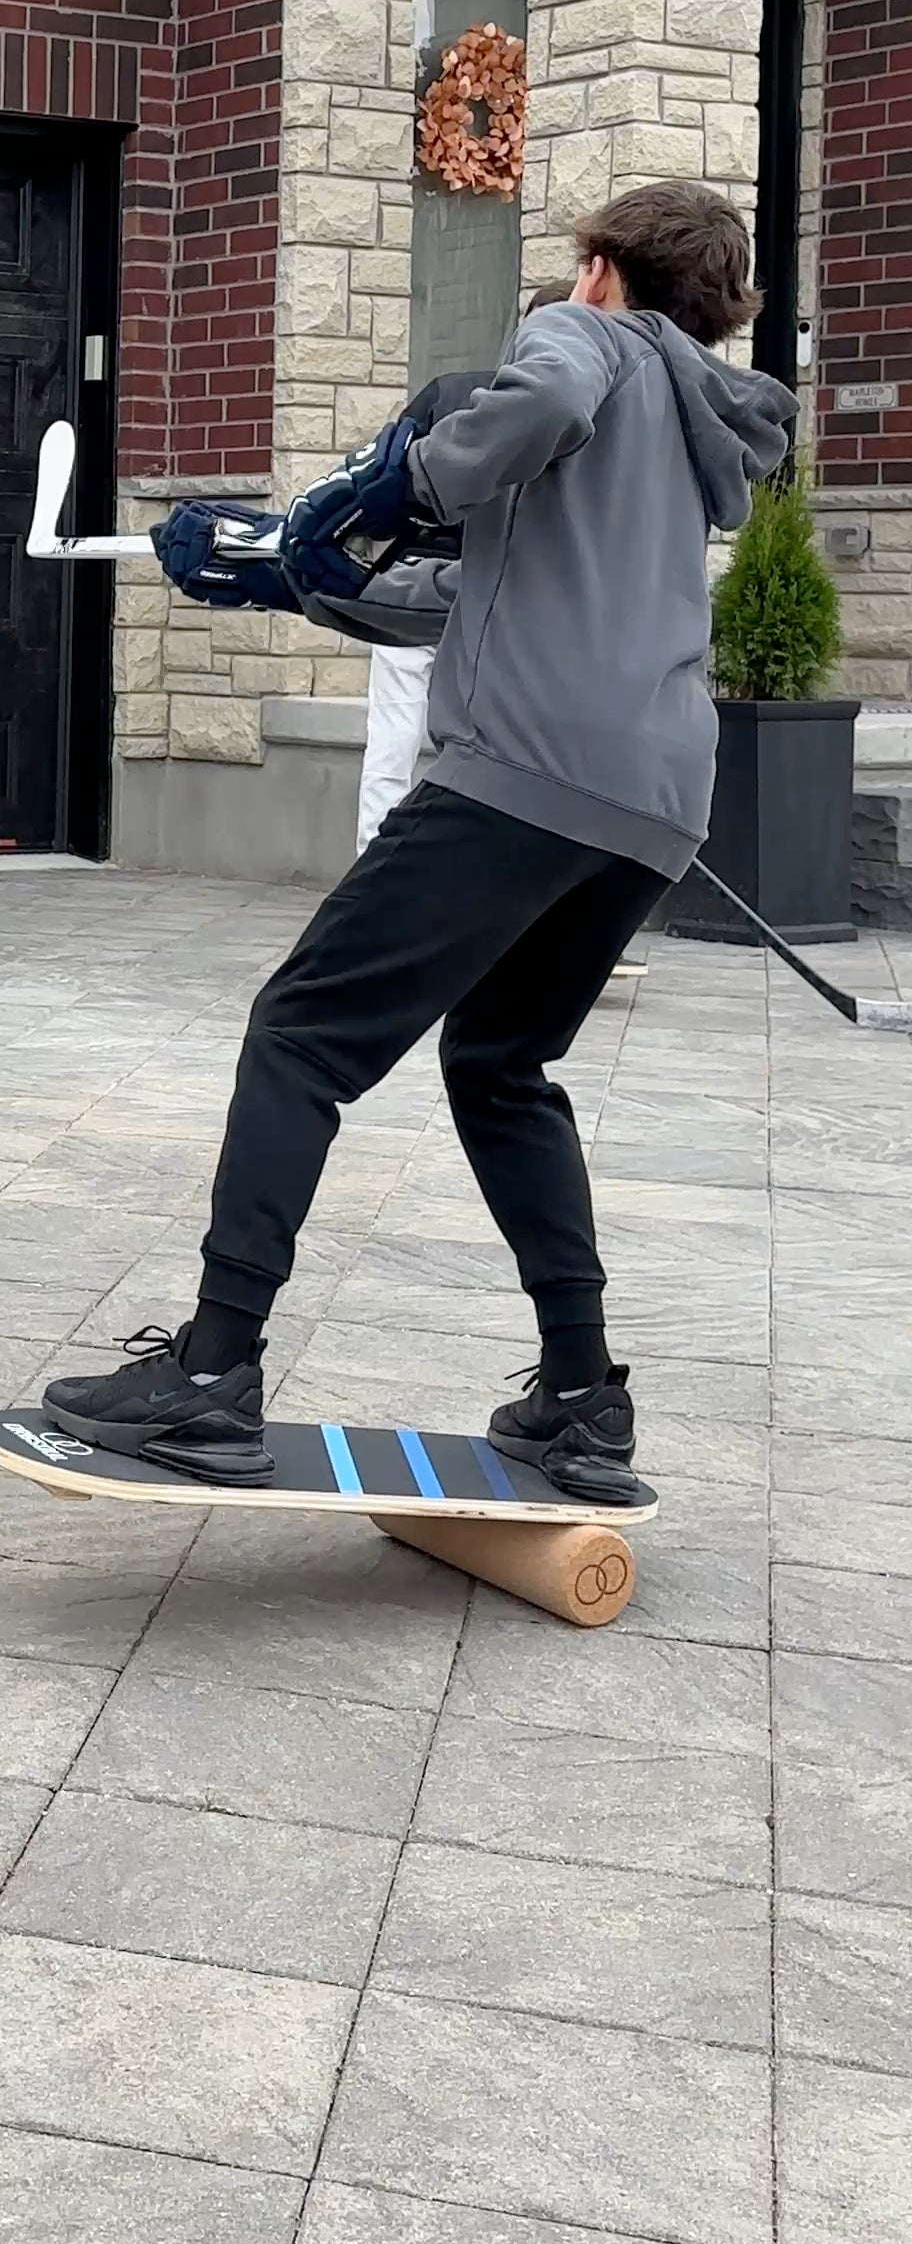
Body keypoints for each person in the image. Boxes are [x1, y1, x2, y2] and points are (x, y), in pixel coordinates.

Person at [46, 181, 794, 1501]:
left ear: (606, 270)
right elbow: (474, 592)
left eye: (579, 267)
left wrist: (392, 478)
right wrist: (288, 567)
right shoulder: (693, 430)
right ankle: (580, 1397)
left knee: (300, 1032)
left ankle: (213, 1371)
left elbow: (536, 405)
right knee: (502, 1064)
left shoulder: (583, 344)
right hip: (655, 801)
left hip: (527, 775)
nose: (568, 289)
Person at [355, 368, 489, 852]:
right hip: (485, 589)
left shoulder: (447, 392)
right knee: (482, 744)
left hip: (411, 585)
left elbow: (382, 475)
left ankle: (372, 859)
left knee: (391, 735)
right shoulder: (551, 411)